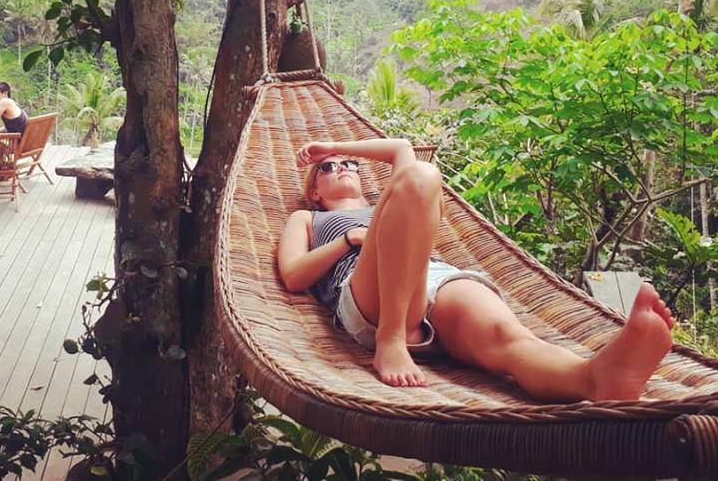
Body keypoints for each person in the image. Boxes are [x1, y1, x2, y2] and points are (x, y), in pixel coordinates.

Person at [277, 138, 675, 400]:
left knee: (509, 340)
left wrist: (332, 146)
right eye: (328, 167)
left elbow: (401, 148)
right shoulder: (308, 219)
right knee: (420, 176)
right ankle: (391, 338)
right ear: (314, 192)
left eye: (350, 163)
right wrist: (349, 241)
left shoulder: (395, 200)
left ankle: (594, 379)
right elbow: (293, 276)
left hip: (434, 277)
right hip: (368, 291)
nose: (343, 166)